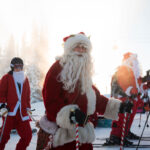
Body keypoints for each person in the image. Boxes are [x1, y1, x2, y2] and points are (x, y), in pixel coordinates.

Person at [36, 32, 132, 150]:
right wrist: (70, 114)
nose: (81, 51)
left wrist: (118, 107)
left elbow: (96, 99)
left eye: (84, 48)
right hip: (62, 136)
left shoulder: (84, 75)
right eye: (78, 47)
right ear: (70, 49)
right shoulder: (57, 68)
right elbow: (50, 99)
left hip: (82, 134)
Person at [106, 52, 145, 146]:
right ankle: (115, 136)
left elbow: (137, 85)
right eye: (133, 60)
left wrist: (140, 90)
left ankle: (125, 132)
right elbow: (123, 81)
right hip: (121, 96)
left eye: (135, 61)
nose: (134, 62)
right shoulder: (123, 69)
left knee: (128, 117)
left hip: (131, 97)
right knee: (121, 117)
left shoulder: (134, 72)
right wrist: (130, 89)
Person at [0, 57, 32, 150]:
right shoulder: (6, 78)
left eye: (21, 66)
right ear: (12, 67)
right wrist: (2, 105)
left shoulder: (25, 79)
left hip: (22, 112)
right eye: (16, 66)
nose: (19, 68)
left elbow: (27, 96)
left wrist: (28, 108)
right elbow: (1, 92)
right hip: (9, 112)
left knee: (27, 136)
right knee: (3, 137)